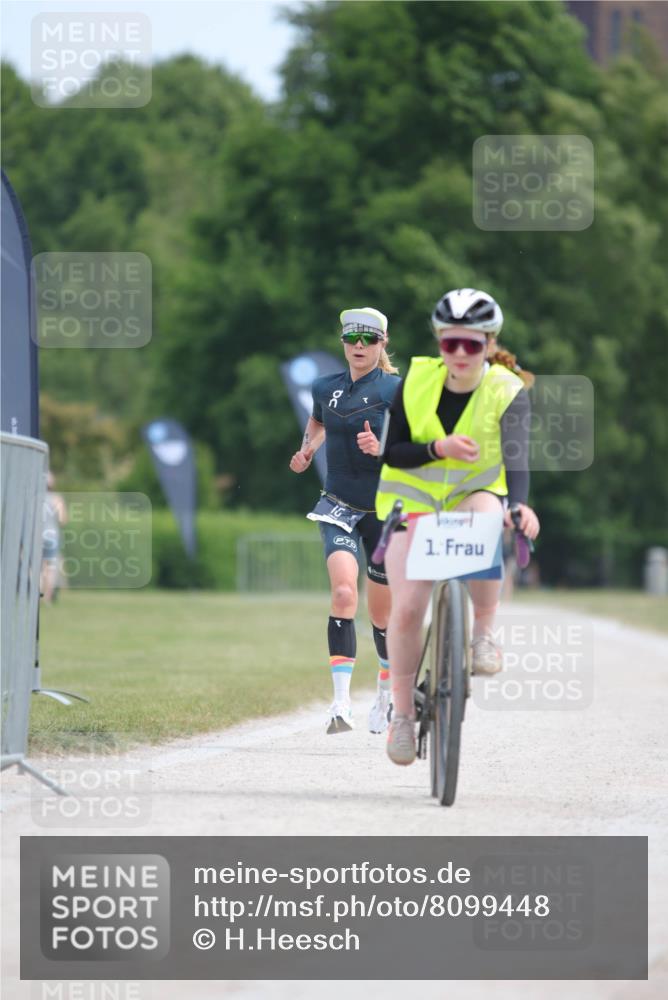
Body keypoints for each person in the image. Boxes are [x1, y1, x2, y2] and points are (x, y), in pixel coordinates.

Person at [375, 288, 540, 765]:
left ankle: (483, 632)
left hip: (474, 494)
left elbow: (517, 458)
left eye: (472, 344)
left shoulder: (507, 389)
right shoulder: (416, 381)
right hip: (411, 497)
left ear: (490, 344)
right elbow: (393, 453)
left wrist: (521, 507)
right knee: (407, 608)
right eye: (451, 344)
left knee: (489, 518)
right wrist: (438, 450)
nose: (461, 354)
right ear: (439, 342)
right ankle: (402, 717)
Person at [289, 307, 401, 734]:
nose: (359, 345)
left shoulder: (396, 389)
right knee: (342, 593)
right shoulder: (325, 387)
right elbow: (317, 421)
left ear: (382, 344)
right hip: (337, 505)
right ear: (342, 341)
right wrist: (307, 450)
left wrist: (382, 447)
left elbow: (413, 444)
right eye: (352, 337)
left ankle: (386, 697)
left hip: (384, 511)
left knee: (381, 617)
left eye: (368, 339)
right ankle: (341, 705)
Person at [41, 470, 67, 604]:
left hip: (36, 536)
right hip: (51, 536)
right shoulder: (57, 498)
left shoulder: (34, 497)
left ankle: (36, 594)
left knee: (36, 567)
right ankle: (47, 598)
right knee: (50, 567)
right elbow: (63, 519)